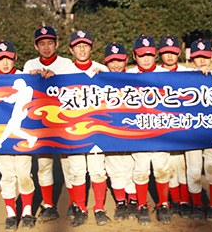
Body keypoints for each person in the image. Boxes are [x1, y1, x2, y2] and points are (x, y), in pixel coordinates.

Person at [23, 26, 74, 223]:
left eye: (50, 43)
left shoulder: (66, 63)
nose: (46, 47)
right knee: (44, 166)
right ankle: (48, 205)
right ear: (36, 45)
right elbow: (15, 86)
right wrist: (31, 77)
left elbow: (77, 84)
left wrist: (56, 77)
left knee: (68, 164)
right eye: (42, 43)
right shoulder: (29, 65)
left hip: (64, 122)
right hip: (40, 124)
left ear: (57, 44)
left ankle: (74, 203)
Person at [0, 40, 36, 230]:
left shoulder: (25, 79)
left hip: (21, 118)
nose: (5, 63)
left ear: (15, 58)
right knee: (7, 175)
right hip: (5, 122)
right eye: (1, 59)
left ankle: (27, 210)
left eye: (8, 58)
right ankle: (10, 212)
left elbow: (16, 96)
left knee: (24, 173)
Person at [66, 30, 110, 227]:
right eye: (78, 46)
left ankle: (99, 207)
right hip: (73, 131)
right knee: (76, 171)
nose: (82, 49)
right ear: (71, 49)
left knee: (97, 171)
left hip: (97, 130)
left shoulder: (102, 70)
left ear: (92, 48)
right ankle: (81, 208)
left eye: (85, 45)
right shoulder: (63, 72)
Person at [127, 35, 172, 225]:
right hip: (139, 134)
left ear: (156, 55)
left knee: (162, 169)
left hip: (161, 132)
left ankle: (163, 203)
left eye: (150, 55)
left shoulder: (167, 73)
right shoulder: (126, 76)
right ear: (134, 56)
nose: (146, 59)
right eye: (141, 55)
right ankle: (142, 205)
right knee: (141, 170)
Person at [184, 39, 212, 221]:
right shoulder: (183, 78)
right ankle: (197, 204)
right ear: (191, 58)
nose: (202, 61)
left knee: (211, 167)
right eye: (198, 57)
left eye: (205, 57)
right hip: (192, 133)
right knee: (193, 170)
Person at [101, 42, 140, 221]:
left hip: (132, 132)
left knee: (132, 166)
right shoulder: (100, 79)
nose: (116, 64)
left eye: (120, 60)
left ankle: (133, 200)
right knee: (114, 167)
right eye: (111, 61)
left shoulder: (135, 76)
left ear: (127, 59)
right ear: (105, 62)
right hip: (110, 133)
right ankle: (120, 202)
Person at [157, 35, 192, 217]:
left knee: (183, 165)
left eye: (173, 52)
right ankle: (175, 199)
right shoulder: (153, 73)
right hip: (163, 128)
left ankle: (185, 199)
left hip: (183, 127)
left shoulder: (188, 72)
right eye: (165, 53)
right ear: (160, 54)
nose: (169, 56)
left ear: (179, 52)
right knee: (169, 164)